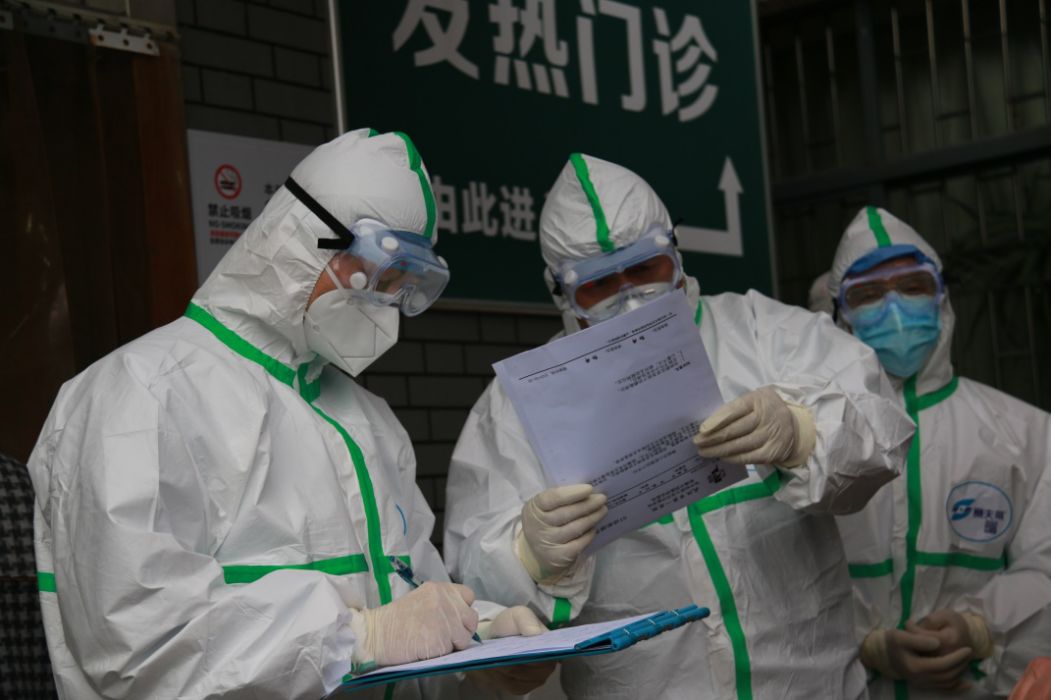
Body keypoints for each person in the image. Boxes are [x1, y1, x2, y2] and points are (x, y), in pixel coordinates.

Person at [26, 129, 553, 699]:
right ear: (300, 241)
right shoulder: (140, 394)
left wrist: (481, 645)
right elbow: (134, 644)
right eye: (376, 279)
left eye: (400, 290)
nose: (384, 310)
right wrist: (357, 637)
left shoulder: (370, 422)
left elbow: (412, 613)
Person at [444, 153, 915, 699]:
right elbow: (476, 585)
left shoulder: (763, 332)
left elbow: (883, 427)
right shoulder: (516, 408)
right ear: (561, 294)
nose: (631, 295)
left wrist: (804, 431)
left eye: (646, 269)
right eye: (599, 285)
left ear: (676, 256)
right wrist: (526, 554)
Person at [829, 206, 1051, 699]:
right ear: (841, 315)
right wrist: (865, 645)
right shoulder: (812, 443)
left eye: (913, 286)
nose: (893, 307)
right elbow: (780, 587)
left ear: (942, 298)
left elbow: (1048, 564)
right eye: (868, 294)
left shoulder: (1028, 434)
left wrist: (980, 630)